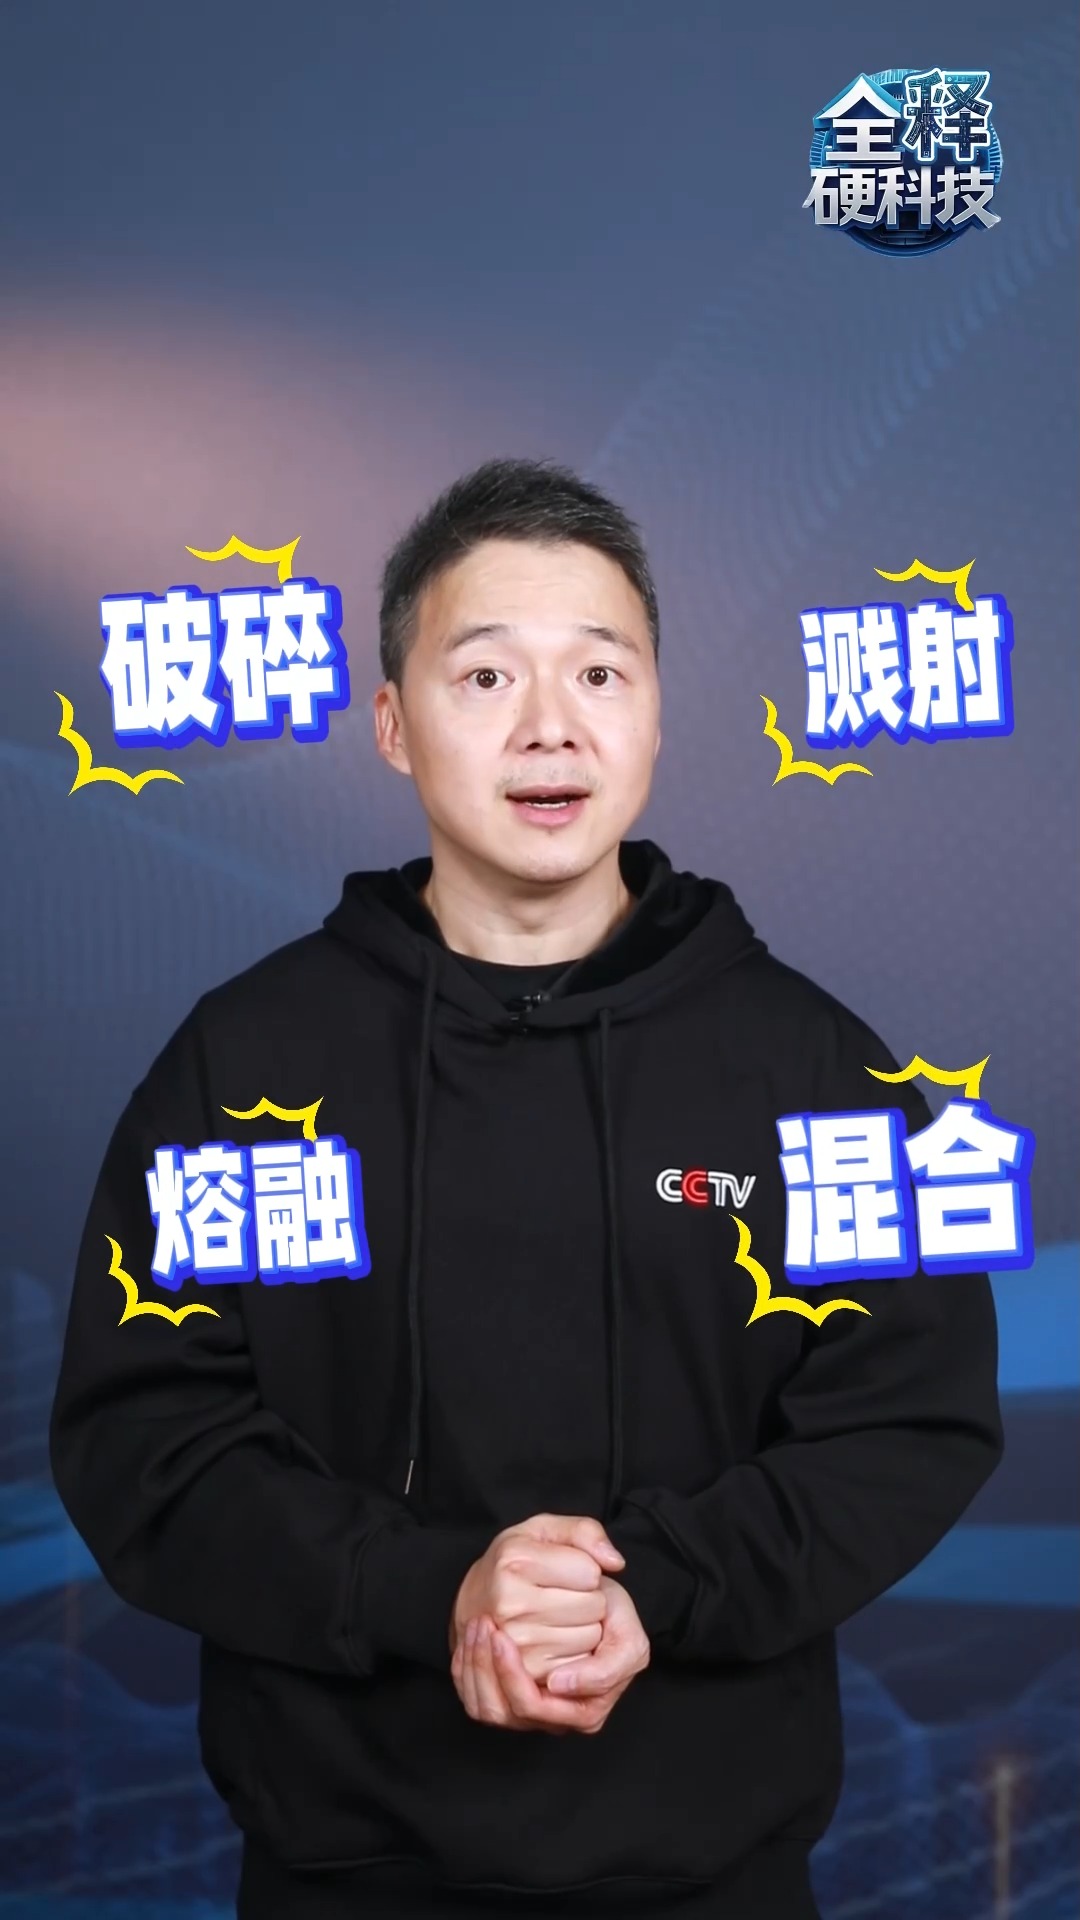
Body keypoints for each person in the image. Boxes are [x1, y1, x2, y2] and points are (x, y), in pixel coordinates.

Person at [50, 458, 1003, 1920]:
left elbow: (910, 1419)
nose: (551, 724)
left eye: (600, 673)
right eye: (486, 674)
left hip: (715, 1875)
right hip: (343, 1875)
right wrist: (433, 1591)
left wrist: (652, 1587)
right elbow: (144, 1436)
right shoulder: (248, 1063)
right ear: (391, 722)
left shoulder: (813, 1067)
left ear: (657, 716)